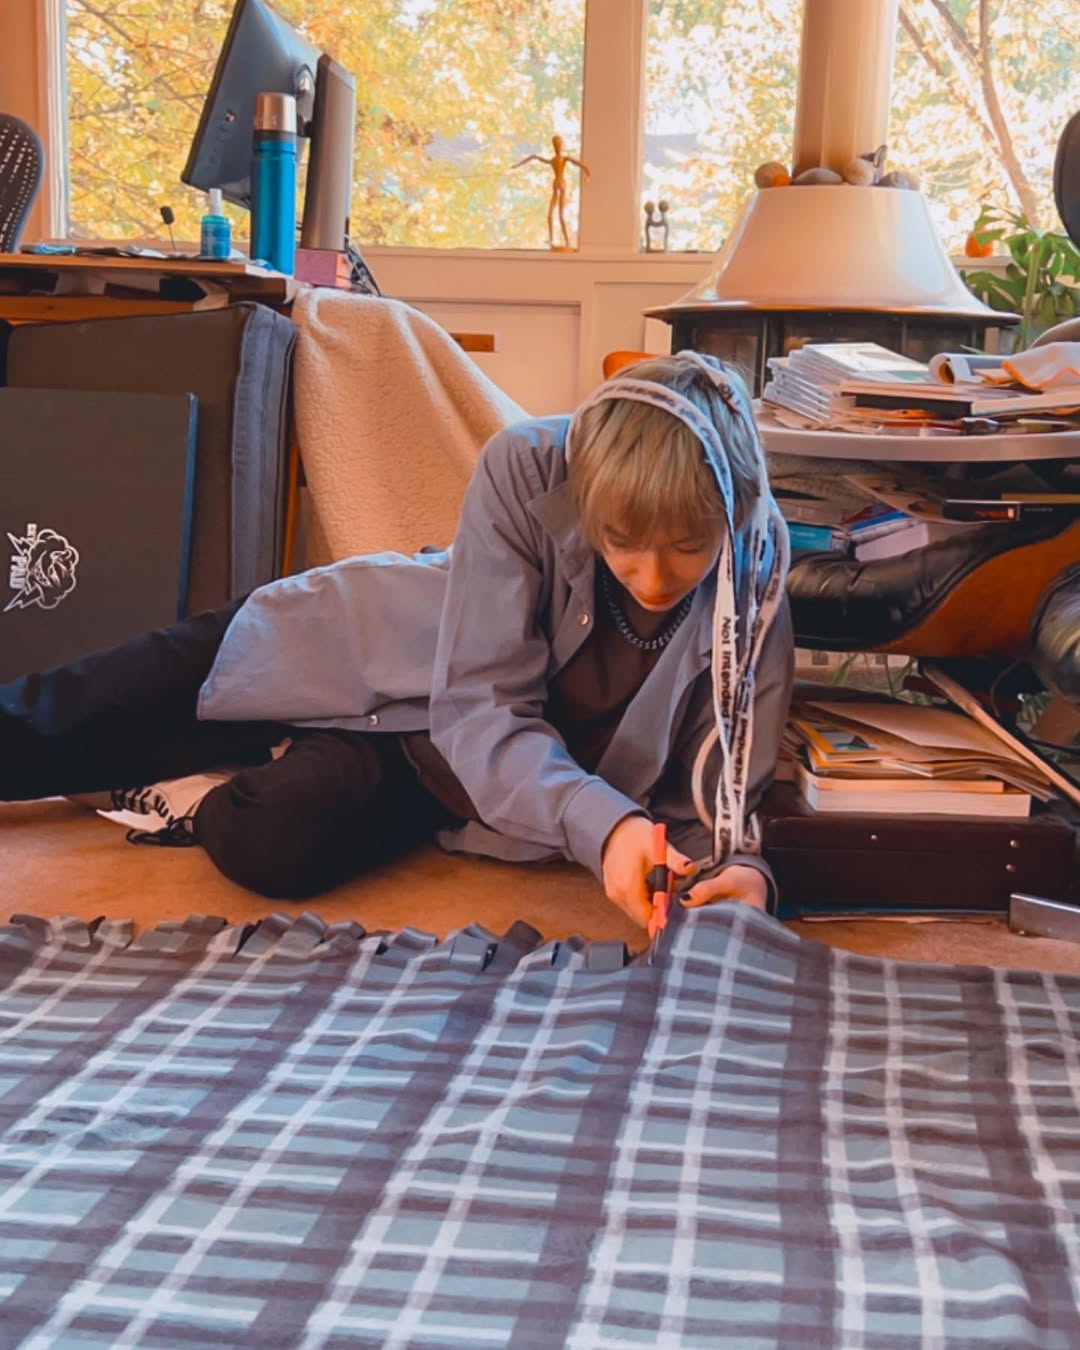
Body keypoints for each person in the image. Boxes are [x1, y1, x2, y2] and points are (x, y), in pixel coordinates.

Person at [0, 352, 793, 927]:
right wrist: (605, 826)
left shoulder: (756, 572)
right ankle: (215, 741)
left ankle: (186, 785)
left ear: (736, 513)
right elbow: (485, 705)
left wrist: (738, 872)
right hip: (356, 656)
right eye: (620, 541)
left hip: (434, 765)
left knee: (271, 838)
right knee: (54, 718)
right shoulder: (527, 467)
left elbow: (724, 793)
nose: (652, 578)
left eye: (687, 546)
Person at [511, 135, 591, 250]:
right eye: (555, 145)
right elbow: (534, 157)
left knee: (561, 214)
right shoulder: (552, 160)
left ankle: (567, 241)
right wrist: (518, 165)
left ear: (561, 146)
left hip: (561, 184)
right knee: (550, 214)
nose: (557, 147)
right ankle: (551, 239)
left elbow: (582, 165)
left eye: (558, 145)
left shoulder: (564, 159)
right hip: (556, 185)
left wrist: (588, 175)